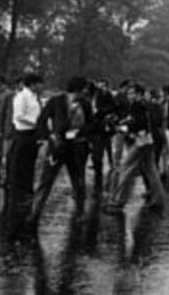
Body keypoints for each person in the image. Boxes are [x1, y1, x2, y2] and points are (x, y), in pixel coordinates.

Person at [30, 76, 93, 223]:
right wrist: (50, 136)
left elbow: (91, 124)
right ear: (79, 89)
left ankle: (80, 213)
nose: (85, 92)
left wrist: (80, 133)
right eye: (84, 89)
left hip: (77, 146)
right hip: (57, 146)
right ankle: (35, 213)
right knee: (46, 180)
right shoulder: (56, 101)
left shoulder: (85, 104)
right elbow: (41, 120)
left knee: (78, 181)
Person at [104, 83, 166, 214]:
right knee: (151, 171)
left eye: (132, 93)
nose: (129, 96)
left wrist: (122, 127)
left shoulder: (137, 105)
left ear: (139, 94)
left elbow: (137, 123)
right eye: (128, 93)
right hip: (148, 140)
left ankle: (118, 201)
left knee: (126, 168)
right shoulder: (146, 105)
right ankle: (159, 199)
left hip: (140, 141)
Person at [9, 73, 45, 202]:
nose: (42, 87)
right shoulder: (22, 97)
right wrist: (35, 123)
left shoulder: (34, 97)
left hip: (32, 134)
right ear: (33, 84)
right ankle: (18, 192)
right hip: (23, 134)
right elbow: (18, 116)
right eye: (40, 84)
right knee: (21, 164)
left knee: (30, 164)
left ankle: (27, 190)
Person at [89, 79, 119, 193]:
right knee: (96, 152)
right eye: (99, 85)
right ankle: (98, 174)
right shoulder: (92, 96)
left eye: (103, 86)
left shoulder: (107, 95)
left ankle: (99, 180)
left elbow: (114, 107)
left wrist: (101, 112)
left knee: (102, 150)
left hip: (102, 127)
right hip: (93, 128)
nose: (101, 88)